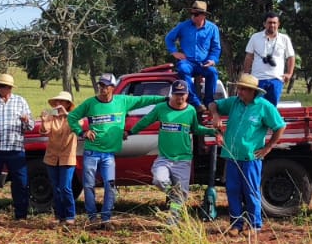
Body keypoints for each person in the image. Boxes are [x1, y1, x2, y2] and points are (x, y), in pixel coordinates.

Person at [67, 73, 166, 227]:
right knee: (88, 185)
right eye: (100, 85)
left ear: (112, 88)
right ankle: (92, 218)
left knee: (110, 185)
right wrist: (82, 132)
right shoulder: (90, 103)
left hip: (108, 155)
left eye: (105, 86)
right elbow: (72, 117)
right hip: (91, 152)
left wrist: (164, 98)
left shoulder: (122, 101)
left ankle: (106, 218)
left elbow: (143, 100)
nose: (102, 88)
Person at [130, 80, 215, 224]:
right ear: (171, 94)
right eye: (176, 94)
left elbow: (196, 128)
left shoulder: (190, 111)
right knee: (159, 180)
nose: (179, 98)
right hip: (165, 158)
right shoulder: (161, 108)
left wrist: (211, 130)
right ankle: (172, 193)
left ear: (187, 95)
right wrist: (130, 131)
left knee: (180, 197)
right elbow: (145, 121)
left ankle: (173, 222)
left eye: (182, 95)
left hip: (183, 160)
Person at [213, 73, 288, 235]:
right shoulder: (234, 103)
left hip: (250, 157)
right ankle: (236, 224)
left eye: (243, 89)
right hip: (232, 155)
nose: (239, 92)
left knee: (251, 190)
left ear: (253, 91)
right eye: (239, 88)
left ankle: (255, 224)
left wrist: (268, 147)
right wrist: (215, 114)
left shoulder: (264, 106)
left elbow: (280, 126)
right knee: (232, 189)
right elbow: (214, 104)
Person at [0, 73, 34, 220]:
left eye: (4, 86)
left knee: (20, 183)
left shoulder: (21, 102)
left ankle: (21, 215)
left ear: (10, 88)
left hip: (15, 149)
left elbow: (30, 126)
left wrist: (26, 120)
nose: (1, 88)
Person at [164, 1, 220, 108]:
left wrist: (212, 60)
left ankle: (209, 101)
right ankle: (196, 102)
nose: (193, 16)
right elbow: (169, 39)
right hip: (188, 62)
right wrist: (174, 52)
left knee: (213, 72)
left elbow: (216, 48)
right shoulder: (183, 26)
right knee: (183, 69)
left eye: (196, 14)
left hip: (203, 63)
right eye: (192, 13)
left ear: (204, 15)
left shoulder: (212, 28)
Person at [37, 91, 79, 226]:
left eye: (61, 102)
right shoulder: (52, 117)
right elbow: (44, 131)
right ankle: (60, 216)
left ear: (67, 104)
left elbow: (80, 124)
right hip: (52, 157)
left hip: (67, 157)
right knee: (56, 188)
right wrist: (44, 121)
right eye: (57, 102)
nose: (58, 104)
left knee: (66, 187)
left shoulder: (73, 117)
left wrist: (67, 115)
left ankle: (70, 215)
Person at [241, 12, 296, 105]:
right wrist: (246, 74)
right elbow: (249, 56)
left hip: (276, 79)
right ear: (264, 24)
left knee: (272, 108)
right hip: (257, 79)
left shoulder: (284, 39)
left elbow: (291, 56)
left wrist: (289, 74)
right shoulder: (255, 37)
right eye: (269, 22)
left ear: (278, 24)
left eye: (274, 23)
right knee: (256, 106)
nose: (272, 25)